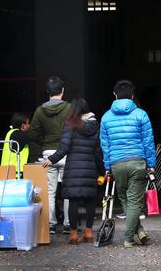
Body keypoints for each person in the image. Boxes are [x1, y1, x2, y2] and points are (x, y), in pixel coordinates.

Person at [100, 80, 156, 248]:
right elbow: (148, 142)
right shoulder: (141, 114)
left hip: (117, 164)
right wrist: (151, 163)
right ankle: (128, 238)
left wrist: (107, 166)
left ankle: (139, 231)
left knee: (125, 198)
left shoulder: (106, 117)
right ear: (132, 96)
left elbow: (105, 145)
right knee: (133, 202)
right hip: (137, 162)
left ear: (115, 95)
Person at [42, 98, 103, 245]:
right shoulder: (95, 125)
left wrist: (51, 159)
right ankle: (88, 232)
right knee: (90, 200)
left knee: (73, 200)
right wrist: (101, 169)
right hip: (89, 168)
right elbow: (97, 151)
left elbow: (64, 147)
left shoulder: (71, 124)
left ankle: (74, 234)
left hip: (74, 169)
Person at [28, 76, 71, 234]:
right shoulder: (70, 108)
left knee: (50, 191)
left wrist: (45, 143)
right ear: (63, 91)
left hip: (48, 154)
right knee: (68, 191)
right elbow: (76, 129)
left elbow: (32, 133)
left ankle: (51, 225)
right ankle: (68, 224)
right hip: (66, 152)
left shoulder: (40, 111)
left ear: (48, 92)